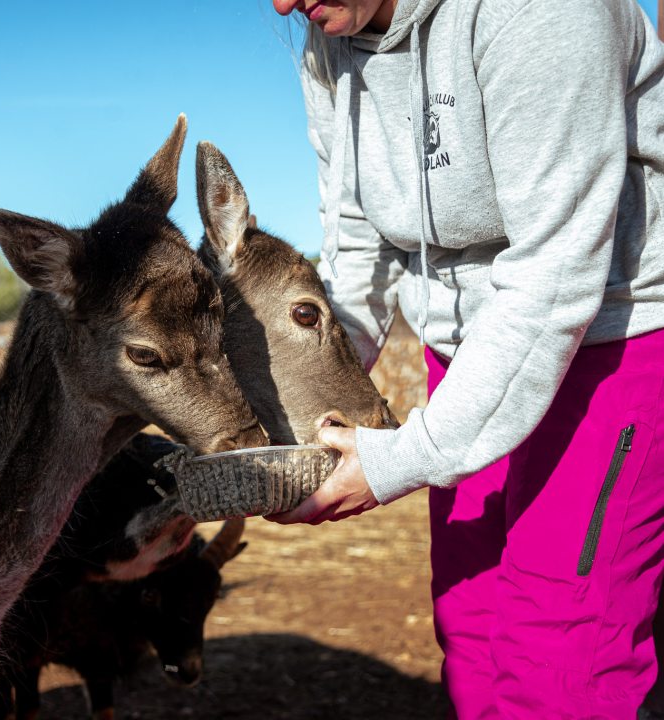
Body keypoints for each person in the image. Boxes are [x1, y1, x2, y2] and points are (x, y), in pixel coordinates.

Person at [264, 0, 664, 717]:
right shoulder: (328, 43)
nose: (284, 3)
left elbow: (555, 267)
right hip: (467, 347)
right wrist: (298, 407)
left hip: (611, 335)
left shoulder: (541, 12)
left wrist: (396, 461)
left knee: (560, 648)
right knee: (470, 620)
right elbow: (356, 242)